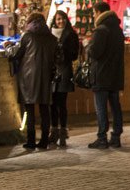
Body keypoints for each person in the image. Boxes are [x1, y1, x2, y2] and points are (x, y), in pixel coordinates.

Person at [7, 13, 58, 150]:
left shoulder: (28, 36)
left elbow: (16, 53)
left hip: (29, 78)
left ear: (30, 22)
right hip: (46, 76)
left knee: (29, 110)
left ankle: (30, 140)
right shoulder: (52, 39)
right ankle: (44, 141)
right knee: (44, 109)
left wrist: (7, 47)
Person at [87, 2, 125, 149]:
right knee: (115, 107)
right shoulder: (118, 30)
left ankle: (102, 138)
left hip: (102, 75)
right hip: (115, 75)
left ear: (97, 12)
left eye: (94, 13)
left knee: (101, 108)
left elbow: (95, 52)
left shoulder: (101, 30)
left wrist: (87, 46)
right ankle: (116, 137)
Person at [50, 10, 79, 148]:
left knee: (61, 103)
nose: (60, 21)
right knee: (52, 103)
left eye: (62, 19)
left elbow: (75, 54)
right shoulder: (49, 34)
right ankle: (53, 130)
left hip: (65, 71)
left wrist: (64, 51)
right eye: (58, 19)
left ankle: (63, 132)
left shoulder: (71, 34)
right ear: (55, 20)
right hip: (51, 71)